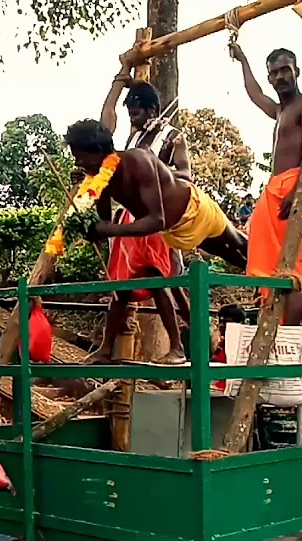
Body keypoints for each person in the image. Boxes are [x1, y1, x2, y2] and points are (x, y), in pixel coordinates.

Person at [66, 120, 248, 363]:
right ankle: (106, 350)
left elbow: (156, 220)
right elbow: (104, 218)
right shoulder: (101, 175)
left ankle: (277, 267)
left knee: (241, 253)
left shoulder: (137, 162)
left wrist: (108, 230)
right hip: (172, 232)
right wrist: (91, 226)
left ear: (98, 152)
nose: (78, 163)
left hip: (195, 213)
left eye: (81, 157)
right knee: (125, 287)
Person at [95, 71, 193, 363]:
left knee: (156, 276)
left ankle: (177, 346)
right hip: (130, 215)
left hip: (155, 214)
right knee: (121, 282)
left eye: (136, 112)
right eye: (129, 113)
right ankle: (105, 348)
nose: (132, 119)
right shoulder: (134, 137)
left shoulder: (173, 137)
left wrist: (157, 173)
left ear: (152, 110)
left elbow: (187, 175)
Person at [229, 44, 302, 327]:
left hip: (296, 185)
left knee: (297, 264)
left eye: (285, 70)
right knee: (272, 264)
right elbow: (254, 94)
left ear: (297, 72)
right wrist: (242, 58)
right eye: (274, 73)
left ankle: (289, 334)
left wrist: (299, 191)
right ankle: (275, 327)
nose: (279, 77)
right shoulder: (280, 109)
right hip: (274, 190)